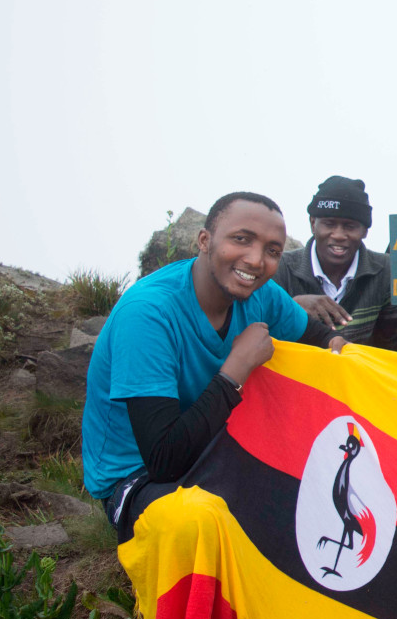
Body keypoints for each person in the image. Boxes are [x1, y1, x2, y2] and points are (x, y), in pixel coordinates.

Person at [82, 192, 346, 532]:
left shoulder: (261, 294)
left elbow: (318, 336)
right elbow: (164, 460)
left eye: (272, 251)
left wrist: (341, 350)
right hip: (138, 475)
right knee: (201, 523)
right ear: (204, 240)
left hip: (216, 450)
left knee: (315, 496)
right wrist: (236, 369)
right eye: (241, 239)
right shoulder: (148, 314)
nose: (255, 259)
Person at [273, 176, 397, 354]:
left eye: (350, 226)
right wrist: (290, 308)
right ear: (312, 224)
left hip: (360, 376)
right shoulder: (279, 268)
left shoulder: (388, 271)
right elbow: (256, 333)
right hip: (295, 376)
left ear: (365, 231)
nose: (339, 235)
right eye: (329, 224)